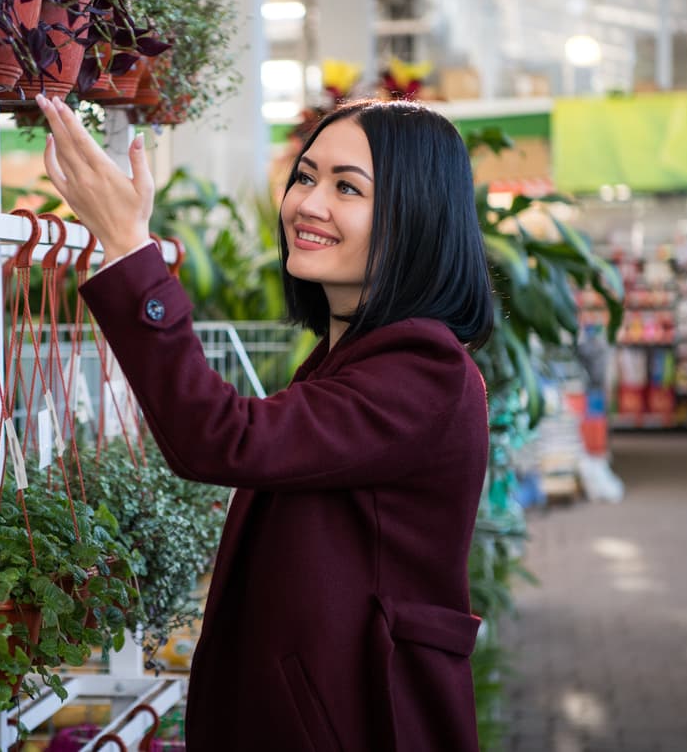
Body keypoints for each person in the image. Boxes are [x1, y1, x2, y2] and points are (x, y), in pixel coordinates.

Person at [36, 93, 495, 751]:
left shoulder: (422, 369)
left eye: (347, 188)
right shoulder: (355, 357)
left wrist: (131, 250)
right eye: (305, 176)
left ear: (414, 216)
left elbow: (222, 437)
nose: (307, 204)